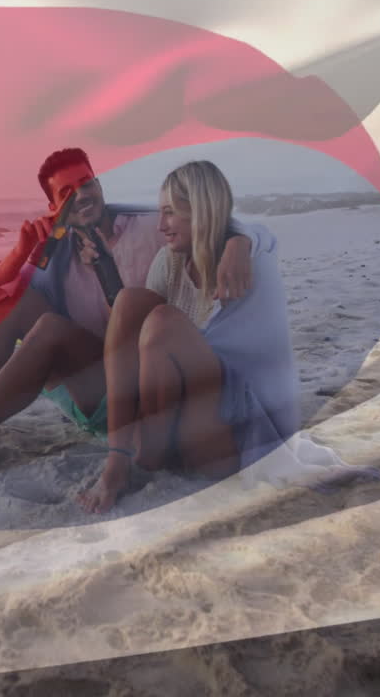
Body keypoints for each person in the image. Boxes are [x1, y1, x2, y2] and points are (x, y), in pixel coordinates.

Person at [0, 148, 256, 486]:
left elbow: (212, 218)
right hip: (95, 387)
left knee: (51, 327)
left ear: (99, 183)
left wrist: (239, 242)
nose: (82, 195)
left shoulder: (151, 228)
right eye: (67, 192)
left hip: (152, 386)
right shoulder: (54, 255)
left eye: (87, 183)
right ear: (53, 206)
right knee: (19, 305)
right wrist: (21, 251)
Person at [76, 160, 298, 513]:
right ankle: (119, 460)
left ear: (201, 212)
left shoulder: (248, 260)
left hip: (237, 436)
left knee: (164, 321)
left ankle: (145, 459)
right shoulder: (170, 261)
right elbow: (137, 342)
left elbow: (264, 235)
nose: (161, 225)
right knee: (130, 301)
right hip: (183, 426)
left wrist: (241, 241)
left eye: (170, 213)